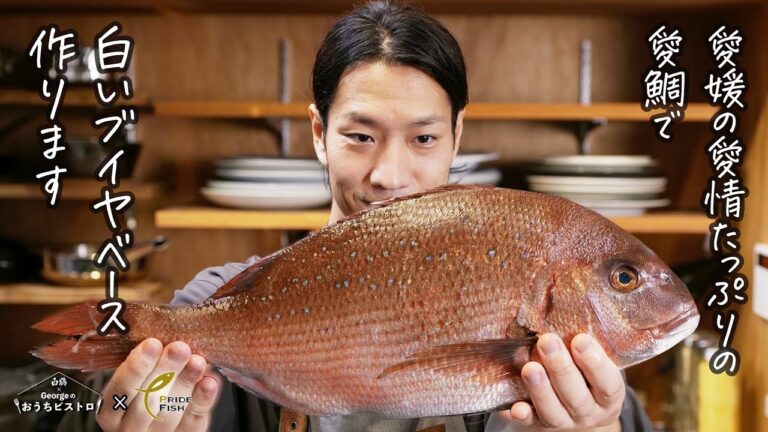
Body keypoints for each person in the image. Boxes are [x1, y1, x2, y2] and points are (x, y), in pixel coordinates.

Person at [60, 1, 655, 431]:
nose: (390, 176)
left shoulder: (585, 369)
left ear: (457, 135)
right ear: (320, 134)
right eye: (360, 136)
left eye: (423, 139)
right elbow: (111, 404)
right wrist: (124, 419)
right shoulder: (215, 301)